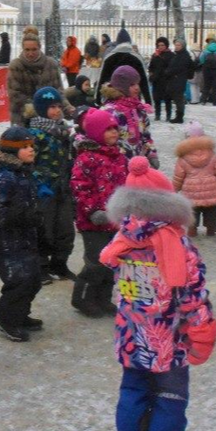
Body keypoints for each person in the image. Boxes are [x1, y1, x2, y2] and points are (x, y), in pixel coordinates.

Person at [100, 156, 216, 431]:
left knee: (132, 391)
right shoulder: (178, 244)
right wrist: (203, 331)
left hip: (131, 336)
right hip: (170, 338)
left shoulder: (121, 240)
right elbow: (193, 294)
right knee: (171, 393)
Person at [70, 108, 128, 317]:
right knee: (96, 263)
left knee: (112, 262)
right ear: (95, 132)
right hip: (93, 222)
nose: (114, 133)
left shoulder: (120, 157)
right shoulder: (87, 158)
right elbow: (80, 187)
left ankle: (103, 298)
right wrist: (93, 210)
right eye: (108, 129)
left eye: (115, 128)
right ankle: (83, 298)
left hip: (116, 220)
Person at [0, 126, 43, 342]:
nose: (31, 150)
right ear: (12, 151)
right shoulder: (5, 177)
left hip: (25, 236)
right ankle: (6, 320)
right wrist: (22, 215)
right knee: (18, 280)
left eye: (32, 146)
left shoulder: (24, 172)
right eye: (25, 147)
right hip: (6, 241)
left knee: (34, 278)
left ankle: (20, 314)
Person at [26, 86, 77, 283]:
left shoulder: (65, 132)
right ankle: (41, 265)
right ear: (41, 109)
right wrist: (38, 182)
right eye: (51, 107)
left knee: (65, 228)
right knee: (44, 229)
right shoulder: (35, 133)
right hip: (43, 189)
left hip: (63, 187)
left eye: (58, 106)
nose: (56, 111)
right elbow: (29, 162)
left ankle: (60, 263)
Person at [173, 121, 216, 236]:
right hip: (211, 191)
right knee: (212, 210)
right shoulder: (212, 154)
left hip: (191, 192)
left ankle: (192, 229)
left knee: (192, 211)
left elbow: (179, 176)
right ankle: (211, 227)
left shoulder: (183, 156)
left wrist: (174, 189)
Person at [7, 25, 71, 125]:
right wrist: (36, 107)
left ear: (40, 48)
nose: (31, 53)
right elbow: (15, 95)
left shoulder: (51, 64)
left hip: (50, 117)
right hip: (23, 118)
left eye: (34, 49)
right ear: (22, 49)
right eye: (27, 50)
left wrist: (68, 108)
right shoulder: (16, 66)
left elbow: (58, 92)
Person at [101, 65, 158, 167]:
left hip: (138, 164)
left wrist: (151, 153)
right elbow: (104, 141)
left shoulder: (139, 109)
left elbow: (145, 135)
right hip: (116, 166)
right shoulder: (109, 111)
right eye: (132, 84)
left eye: (137, 83)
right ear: (121, 86)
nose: (137, 87)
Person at [97, 28, 152, 105]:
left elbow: (102, 79)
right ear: (129, 42)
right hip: (133, 97)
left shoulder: (109, 58)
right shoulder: (136, 58)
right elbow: (144, 81)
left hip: (114, 96)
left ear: (117, 43)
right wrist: (148, 101)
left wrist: (98, 99)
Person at [165, 39, 193, 124]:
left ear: (183, 46)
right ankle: (175, 115)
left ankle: (179, 117)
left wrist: (168, 72)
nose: (176, 47)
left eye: (178, 45)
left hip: (179, 80)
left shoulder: (184, 55)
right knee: (173, 97)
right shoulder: (177, 55)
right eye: (176, 45)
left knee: (178, 98)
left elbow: (179, 68)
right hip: (174, 79)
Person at [148, 37, 174, 121]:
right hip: (157, 80)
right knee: (157, 98)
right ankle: (157, 115)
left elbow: (172, 67)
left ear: (166, 45)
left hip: (167, 80)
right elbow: (151, 67)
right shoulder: (155, 55)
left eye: (162, 45)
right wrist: (152, 75)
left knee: (167, 99)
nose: (160, 47)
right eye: (159, 45)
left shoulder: (171, 55)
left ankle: (168, 115)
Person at [199, 35, 216, 105]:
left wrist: (204, 64)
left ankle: (203, 100)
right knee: (215, 86)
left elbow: (201, 59)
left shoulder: (206, 49)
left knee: (206, 85)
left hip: (206, 69)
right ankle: (215, 102)